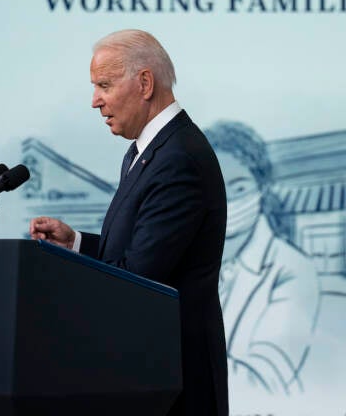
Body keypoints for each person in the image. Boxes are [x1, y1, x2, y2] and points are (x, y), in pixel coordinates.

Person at [29, 29, 228, 416]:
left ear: (145, 82)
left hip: (173, 383)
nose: (94, 101)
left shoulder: (178, 158)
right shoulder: (148, 150)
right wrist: (76, 245)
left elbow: (138, 280)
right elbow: (135, 253)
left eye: (104, 84)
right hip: (149, 372)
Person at [204, 120, 320, 396]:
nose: (227, 198)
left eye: (240, 187)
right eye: (215, 183)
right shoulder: (191, 256)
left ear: (262, 188)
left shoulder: (291, 269)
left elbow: (267, 380)